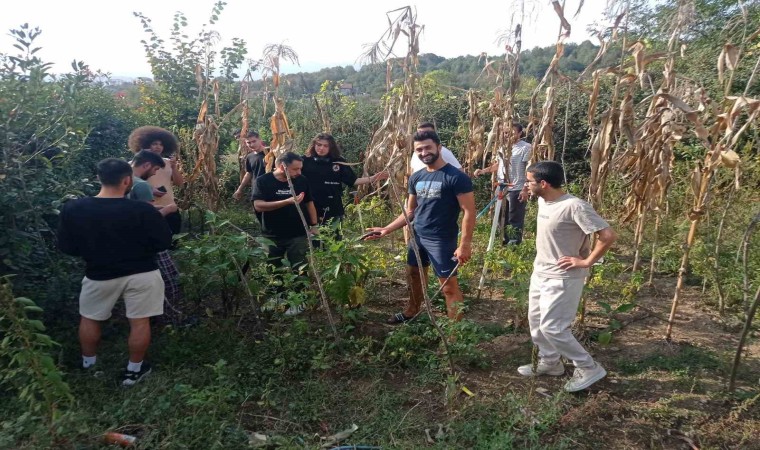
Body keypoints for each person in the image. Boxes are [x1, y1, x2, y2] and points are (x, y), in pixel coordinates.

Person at [57, 158, 172, 386]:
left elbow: (67, 247)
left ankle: (89, 365)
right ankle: (133, 371)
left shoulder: (74, 208)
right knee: (139, 322)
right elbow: (163, 242)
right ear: (127, 180)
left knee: (90, 318)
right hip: (142, 272)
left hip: (98, 273)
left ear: (99, 179)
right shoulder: (141, 209)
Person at [519, 161, 617, 392]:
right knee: (536, 324)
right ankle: (550, 363)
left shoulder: (574, 206)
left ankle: (588, 367)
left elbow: (608, 235)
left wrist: (587, 261)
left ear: (543, 183)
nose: (527, 185)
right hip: (540, 272)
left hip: (563, 277)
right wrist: (523, 191)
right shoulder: (545, 200)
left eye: (529, 181)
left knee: (553, 327)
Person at [367, 130, 475, 323]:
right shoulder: (416, 177)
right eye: (419, 149)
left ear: (439, 148)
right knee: (414, 275)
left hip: (441, 239)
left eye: (428, 147)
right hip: (417, 236)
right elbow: (410, 211)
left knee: (449, 287)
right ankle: (411, 311)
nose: (424, 152)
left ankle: (454, 334)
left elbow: (469, 211)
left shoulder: (456, 177)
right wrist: (386, 229)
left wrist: (464, 244)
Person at [252, 152, 318, 316]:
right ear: (283, 167)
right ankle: (278, 297)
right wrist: (287, 202)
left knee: (299, 267)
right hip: (271, 234)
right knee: (274, 267)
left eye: (300, 169)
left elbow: (309, 203)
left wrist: (314, 225)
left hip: (297, 233)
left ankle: (300, 300)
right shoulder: (263, 181)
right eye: (295, 169)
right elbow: (258, 205)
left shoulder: (301, 181)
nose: (299, 173)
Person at [128, 150, 183, 325]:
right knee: (169, 279)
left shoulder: (123, 181)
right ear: (146, 165)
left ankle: (148, 315)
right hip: (148, 241)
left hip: (130, 242)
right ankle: (169, 319)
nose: (154, 174)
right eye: (154, 169)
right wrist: (168, 209)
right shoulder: (141, 185)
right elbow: (147, 218)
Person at [301, 133, 388, 232]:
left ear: (331, 147)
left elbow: (353, 181)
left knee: (334, 239)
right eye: (319, 145)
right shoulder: (304, 161)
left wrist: (373, 178)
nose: (321, 148)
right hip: (310, 207)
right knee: (313, 241)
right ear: (314, 145)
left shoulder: (339, 161)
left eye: (325, 146)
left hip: (333, 207)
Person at [473, 123, 532, 245]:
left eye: (512, 132)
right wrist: (483, 171)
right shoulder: (503, 148)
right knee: (500, 216)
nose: (508, 135)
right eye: (505, 133)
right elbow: (499, 165)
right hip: (501, 187)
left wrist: (525, 188)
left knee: (514, 218)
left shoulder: (526, 147)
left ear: (520, 133)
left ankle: (514, 245)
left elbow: (529, 168)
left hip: (517, 188)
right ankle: (503, 241)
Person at [127, 126, 184, 235]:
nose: (158, 147)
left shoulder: (168, 163)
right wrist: (149, 188)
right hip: (148, 210)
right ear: (145, 145)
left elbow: (180, 183)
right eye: (154, 144)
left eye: (161, 144)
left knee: (173, 242)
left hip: (169, 208)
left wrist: (174, 168)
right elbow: (126, 186)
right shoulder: (133, 165)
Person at [233, 131, 268, 200]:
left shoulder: (271, 153)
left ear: (260, 139)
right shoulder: (249, 157)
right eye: (248, 143)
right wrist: (239, 189)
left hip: (272, 188)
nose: (252, 144)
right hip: (257, 189)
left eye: (254, 141)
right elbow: (249, 173)